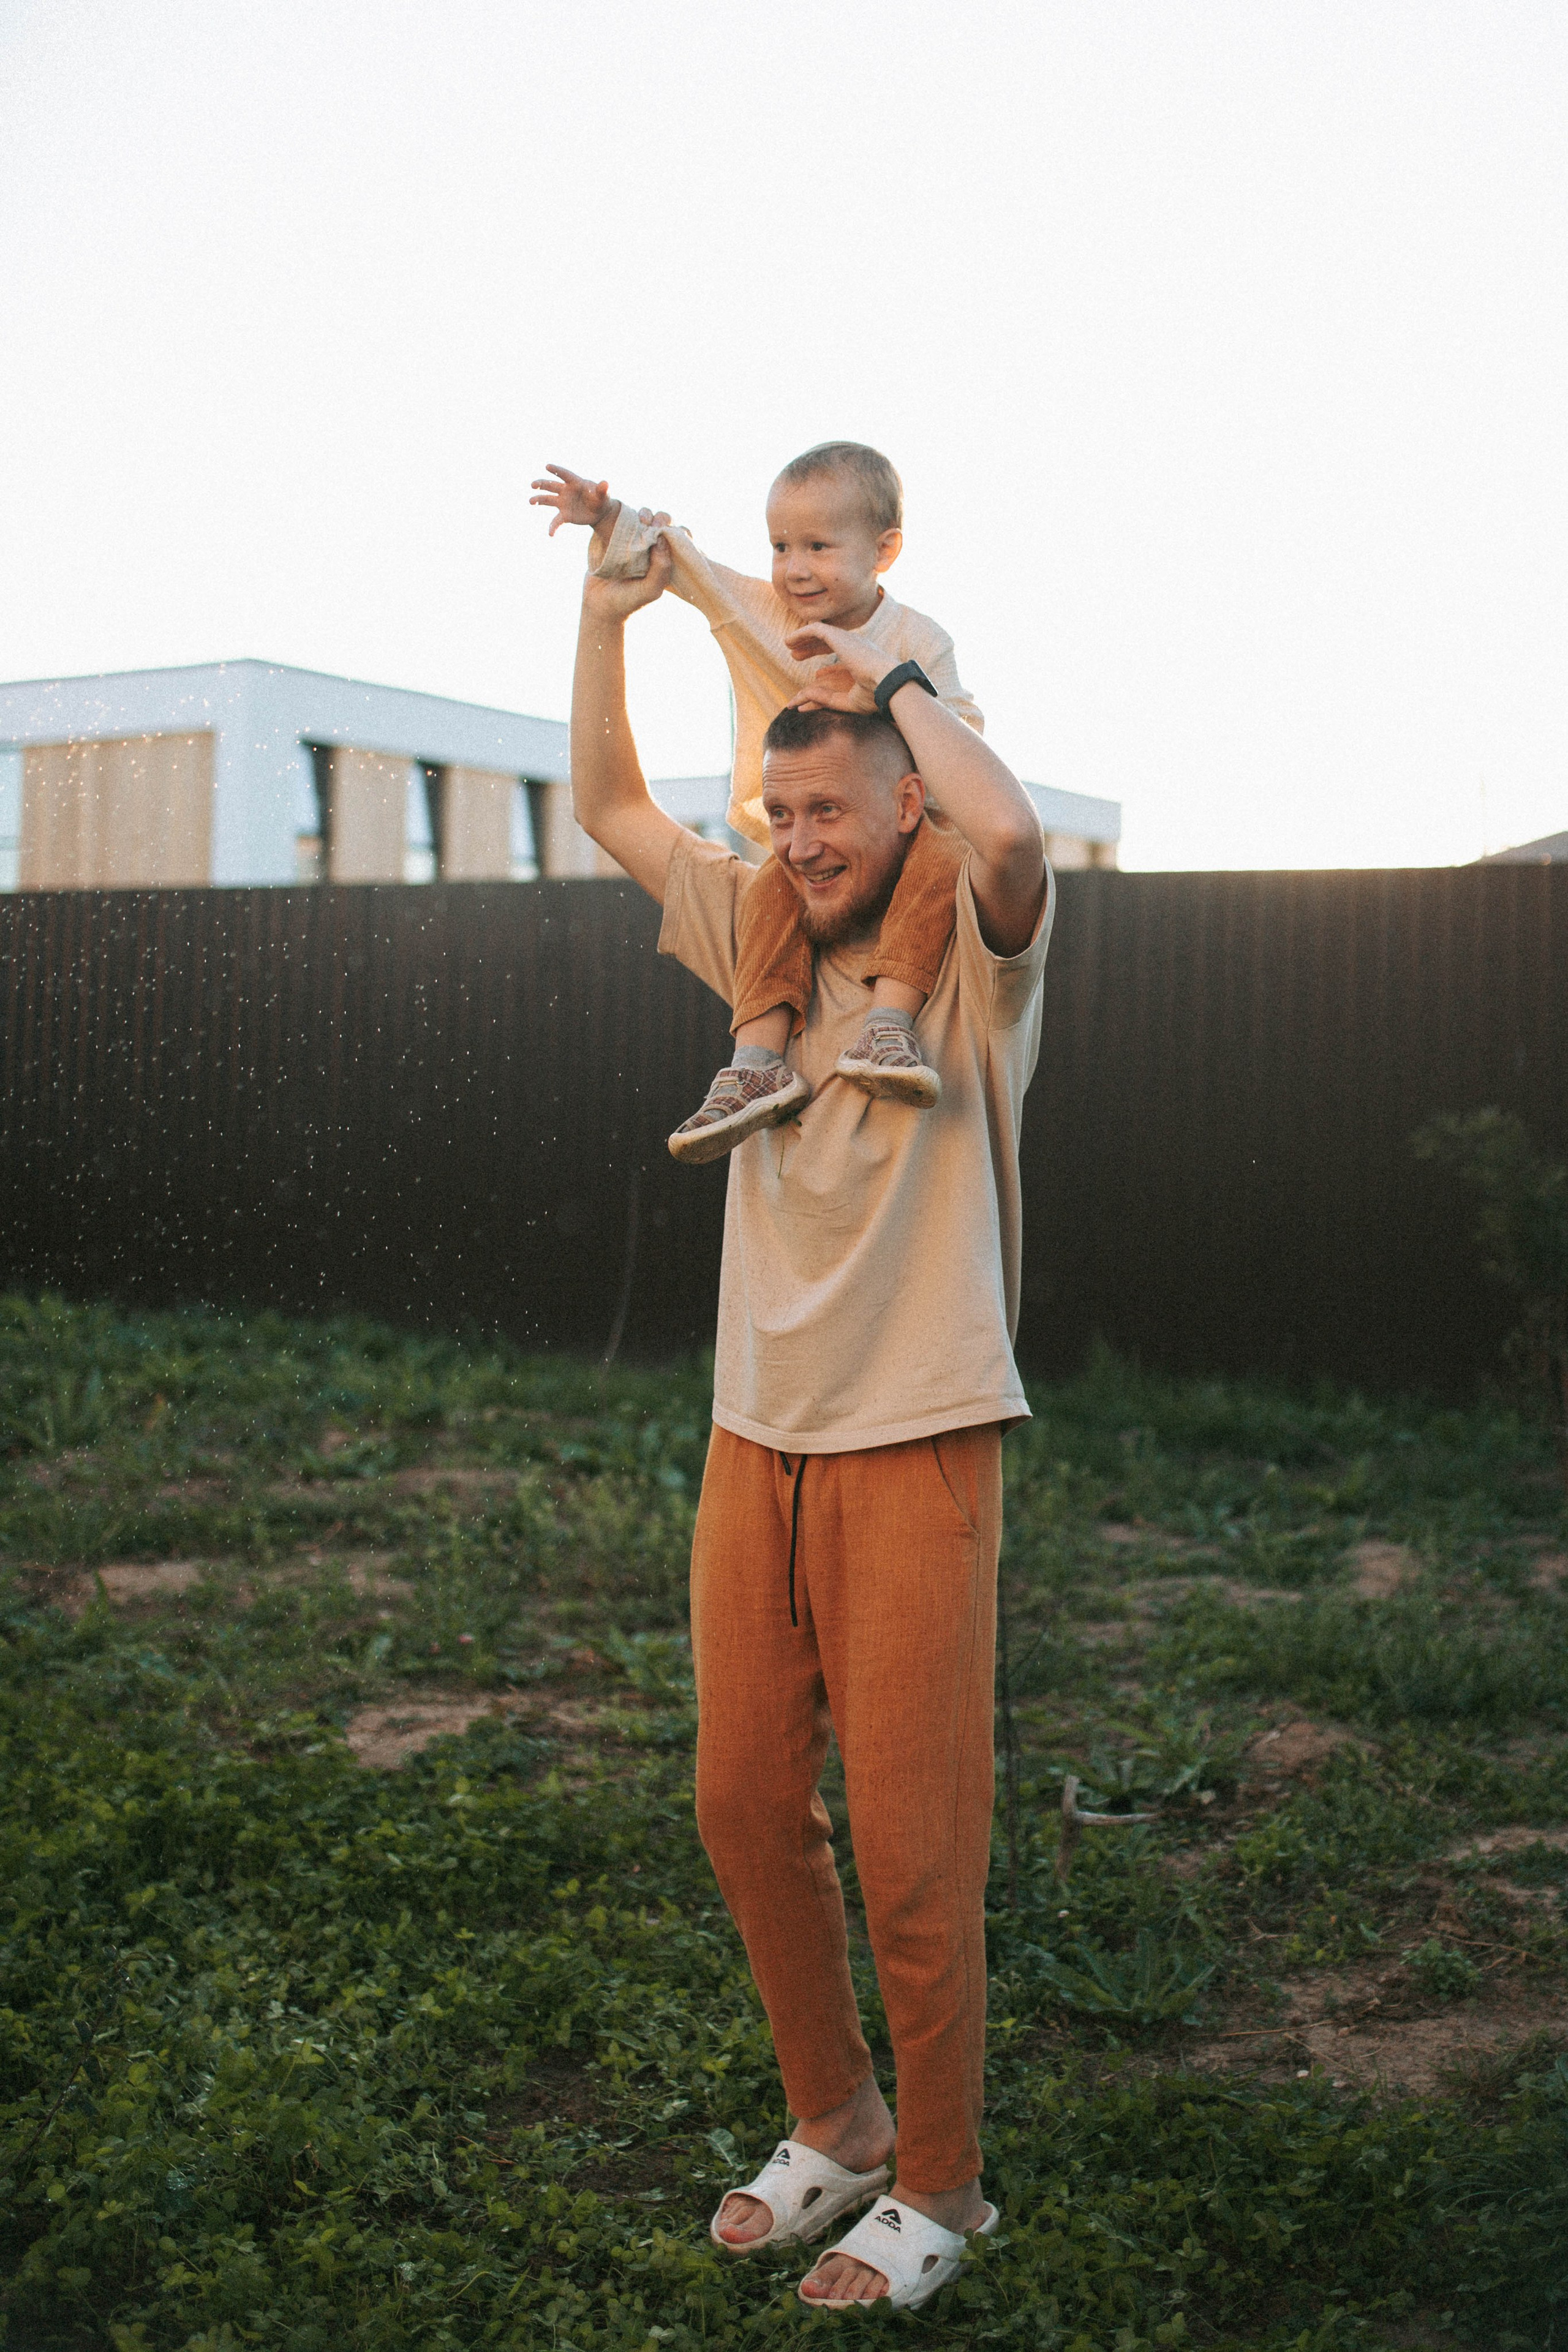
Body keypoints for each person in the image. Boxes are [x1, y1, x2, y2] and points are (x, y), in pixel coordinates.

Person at [563, 527, 1052, 2312]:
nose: (806, 841)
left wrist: (897, 681)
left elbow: (1002, 837)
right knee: (743, 1798)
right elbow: (611, 800)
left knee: (917, 1841)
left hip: (916, 1432)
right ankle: (833, 2113)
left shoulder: (975, 981)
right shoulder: (757, 931)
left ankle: (941, 2177)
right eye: (783, 817)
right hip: (750, 1436)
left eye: (836, 812)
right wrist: (607, 617)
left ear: (900, 805)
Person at [530, 443, 985, 1163]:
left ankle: (890, 1021)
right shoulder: (769, 610)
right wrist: (610, 525)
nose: (795, 567)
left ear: (884, 551)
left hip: (925, 845)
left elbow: (967, 746)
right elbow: (691, 568)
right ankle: (754, 1065)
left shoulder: (915, 643)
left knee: (943, 851)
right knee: (775, 884)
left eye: (818, 547)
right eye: (781, 546)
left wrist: (882, 686)